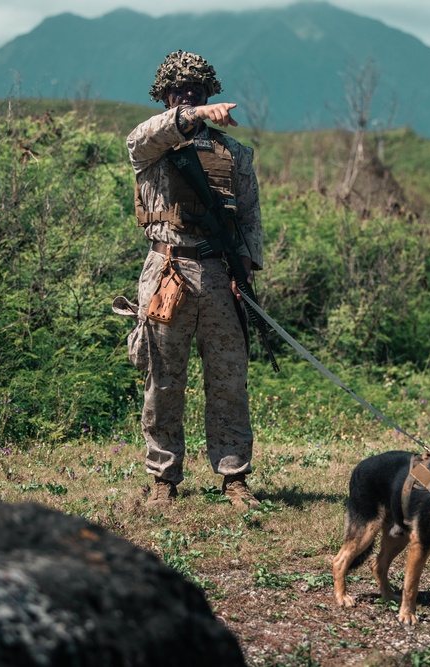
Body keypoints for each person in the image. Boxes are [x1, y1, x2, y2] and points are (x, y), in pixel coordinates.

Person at [125, 51, 263, 512]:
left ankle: (234, 476)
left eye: (198, 90)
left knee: (229, 382)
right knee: (163, 381)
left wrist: (245, 270)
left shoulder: (235, 154)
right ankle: (163, 478)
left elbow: (248, 218)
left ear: (210, 92)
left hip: (220, 274)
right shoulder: (150, 145)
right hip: (168, 272)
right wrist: (193, 115)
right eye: (179, 90)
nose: (188, 95)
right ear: (165, 96)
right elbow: (146, 135)